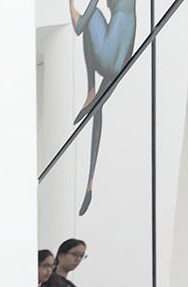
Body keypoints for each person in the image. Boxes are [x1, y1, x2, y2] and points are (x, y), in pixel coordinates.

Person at [70, 0, 138, 215]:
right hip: (124, 51)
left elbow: (80, 26)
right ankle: (90, 183)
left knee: (93, 15)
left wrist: (70, 6)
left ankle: (90, 88)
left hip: (112, 51)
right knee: (97, 109)